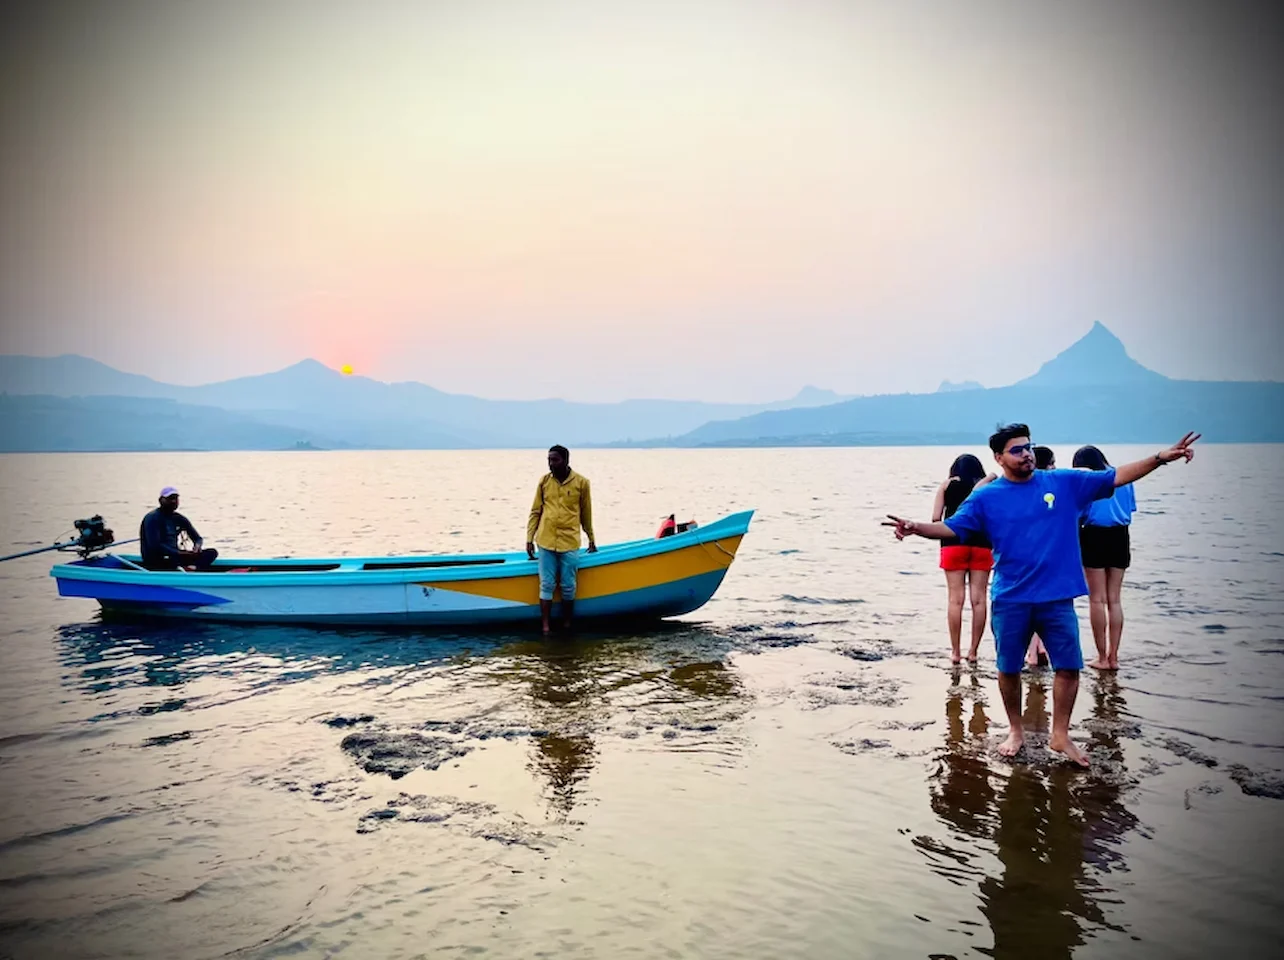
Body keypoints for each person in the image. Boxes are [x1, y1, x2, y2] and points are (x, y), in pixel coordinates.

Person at [885, 424, 1198, 767]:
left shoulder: (1062, 482)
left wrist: (1160, 459)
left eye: (1028, 447)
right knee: (1008, 669)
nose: (1027, 454)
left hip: (1057, 598)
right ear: (999, 458)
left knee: (1069, 667)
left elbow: (1116, 477)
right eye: (1017, 450)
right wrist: (917, 528)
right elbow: (952, 527)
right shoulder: (987, 496)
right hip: (1011, 597)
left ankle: (1060, 735)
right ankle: (1016, 730)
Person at [1073, 445, 1137, 670]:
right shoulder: (1124, 477)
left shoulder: (1089, 481)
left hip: (1093, 535)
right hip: (1120, 535)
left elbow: (1081, 512)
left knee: (1097, 599)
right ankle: (1114, 657)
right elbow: (1130, 509)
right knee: (1115, 600)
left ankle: (1101, 657)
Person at [526, 445, 597, 635]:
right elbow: (536, 511)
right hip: (546, 540)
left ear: (565, 460)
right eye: (549, 460)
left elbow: (586, 513)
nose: (551, 464)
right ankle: (546, 627)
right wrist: (529, 538)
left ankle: (567, 624)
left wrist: (591, 538)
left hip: (569, 541)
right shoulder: (544, 482)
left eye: (555, 460)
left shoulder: (581, 483)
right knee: (546, 584)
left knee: (568, 586)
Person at [931, 454, 993, 664]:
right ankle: (973, 652)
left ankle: (956, 652)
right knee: (979, 600)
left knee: (955, 600)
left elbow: (935, 518)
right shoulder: (986, 487)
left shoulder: (947, 485)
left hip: (953, 544)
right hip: (982, 545)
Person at [1025, 445, 1057, 667]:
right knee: (1044, 601)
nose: (1055, 466)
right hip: (1048, 552)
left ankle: (1033, 651)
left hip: (1031, 552)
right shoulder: (1053, 488)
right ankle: (1040, 648)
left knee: (1032, 602)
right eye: (1052, 462)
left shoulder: (1026, 487)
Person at [139, 487, 218, 570]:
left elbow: (197, 538)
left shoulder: (178, 518)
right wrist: (179, 553)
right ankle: (187, 570)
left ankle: (192, 568)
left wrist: (197, 546)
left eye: (175, 498)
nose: (173, 501)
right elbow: (155, 546)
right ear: (161, 500)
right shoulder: (152, 518)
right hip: (157, 560)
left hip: (175, 557)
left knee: (212, 552)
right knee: (167, 559)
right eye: (170, 499)